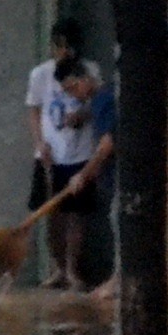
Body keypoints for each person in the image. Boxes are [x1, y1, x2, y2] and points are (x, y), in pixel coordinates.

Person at [34, 53, 119, 288]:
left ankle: (115, 282)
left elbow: (106, 145)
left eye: (72, 88)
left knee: (119, 224)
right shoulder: (102, 99)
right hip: (109, 177)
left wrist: (84, 173)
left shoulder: (104, 99)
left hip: (116, 176)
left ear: (84, 79)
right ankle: (115, 281)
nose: (73, 95)